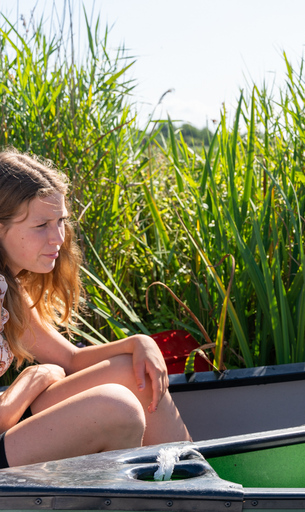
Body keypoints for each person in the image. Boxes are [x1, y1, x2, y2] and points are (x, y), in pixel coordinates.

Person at [0, 150, 191, 469]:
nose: (58, 237)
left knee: (131, 370)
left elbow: (70, 360)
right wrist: (34, 377)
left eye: (60, 221)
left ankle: (194, 479)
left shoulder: (9, 290)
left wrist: (138, 343)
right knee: (117, 408)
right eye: (41, 225)